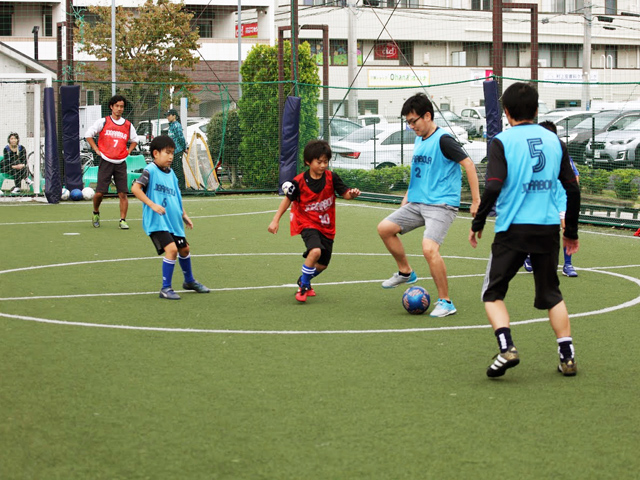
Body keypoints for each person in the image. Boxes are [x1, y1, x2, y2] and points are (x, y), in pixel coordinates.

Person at [468, 82, 581, 378]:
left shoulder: (501, 142)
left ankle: (506, 347)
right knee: (551, 294)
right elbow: (572, 189)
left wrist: (478, 221)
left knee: (492, 293)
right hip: (546, 228)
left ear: (506, 112)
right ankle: (567, 356)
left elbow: (493, 185)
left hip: (512, 229)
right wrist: (572, 231)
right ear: (537, 109)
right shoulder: (555, 141)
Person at [377, 92, 481, 318]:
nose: (411, 126)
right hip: (417, 202)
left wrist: (476, 201)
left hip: (441, 205)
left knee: (429, 249)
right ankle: (406, 272)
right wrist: (408, 195)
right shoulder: (419, 138)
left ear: (427, 116)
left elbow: (469, 165)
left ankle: (446, 302)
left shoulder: (444, 140)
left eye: (413, 121)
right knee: (384, 229)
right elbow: (420, 172)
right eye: (408, 123)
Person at [268, 139, 361, 302]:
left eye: (326, 161)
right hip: (306, 223)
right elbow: (287, 200)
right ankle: (303, 286)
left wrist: (351, 194)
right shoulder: (299, 182)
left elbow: (345, 193)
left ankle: (303, 279)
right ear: (308, 162)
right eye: (319, 162)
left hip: (327, 226)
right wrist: (275, 220)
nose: (323, 165)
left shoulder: (332, 178)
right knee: (315, 251)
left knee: (323, 264)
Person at [131, 135, 210, 300]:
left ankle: (189, 281)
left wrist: (184, 214)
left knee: (185, 249)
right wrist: (152, 205)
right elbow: (136, 189)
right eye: (167, 153)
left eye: (172, 153)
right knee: (172, 250)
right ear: (155, 153)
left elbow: (176, 197)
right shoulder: (150, 170)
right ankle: (165, 288)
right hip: (157, 222)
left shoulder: (172, 174)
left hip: (174, 222)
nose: (170, 157)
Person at [85, 95, 139, 229]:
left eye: (122, 107)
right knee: (99, 193)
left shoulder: (127, 125)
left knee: (123, 193)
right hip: (106, 161)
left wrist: (128, 151)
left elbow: (135, 140)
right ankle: (96, 212)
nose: (119, 109)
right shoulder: (103, 122)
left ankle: (122, 220)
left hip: (120, 162)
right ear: (111, 107)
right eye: (117, 106)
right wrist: (96, 149)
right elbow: (88, 134)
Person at [165, 109, 187, 192]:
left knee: (178, 169)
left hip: (177, 151)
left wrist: (184, 148)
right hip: (172, 151)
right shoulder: (171, 125)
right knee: (173, 169)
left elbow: (181, 138)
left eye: (169, 115)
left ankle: (181, 188)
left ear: (174, 116)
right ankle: (175, 186)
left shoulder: (177, 125)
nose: (167, 117)